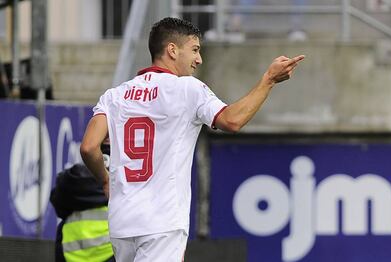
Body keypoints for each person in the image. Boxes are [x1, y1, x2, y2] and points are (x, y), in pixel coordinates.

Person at [80, 17, 304, 262]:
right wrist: (268, 80)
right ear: (172, 50)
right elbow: (232, 120)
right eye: (195, 50)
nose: (199, 59)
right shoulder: (187, 89)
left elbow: (89, 147)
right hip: (162, 220)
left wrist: (105, 180)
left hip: (122, 221)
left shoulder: (114, 96)